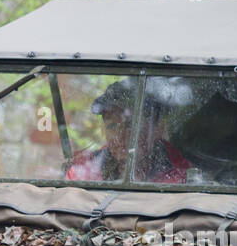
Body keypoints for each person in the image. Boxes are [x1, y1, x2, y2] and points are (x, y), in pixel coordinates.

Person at [65, 78, 193, 183]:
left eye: (131, 124)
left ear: (158, 128)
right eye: (112, 126)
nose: (119, 136)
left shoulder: (181, 176)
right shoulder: (83, 171)